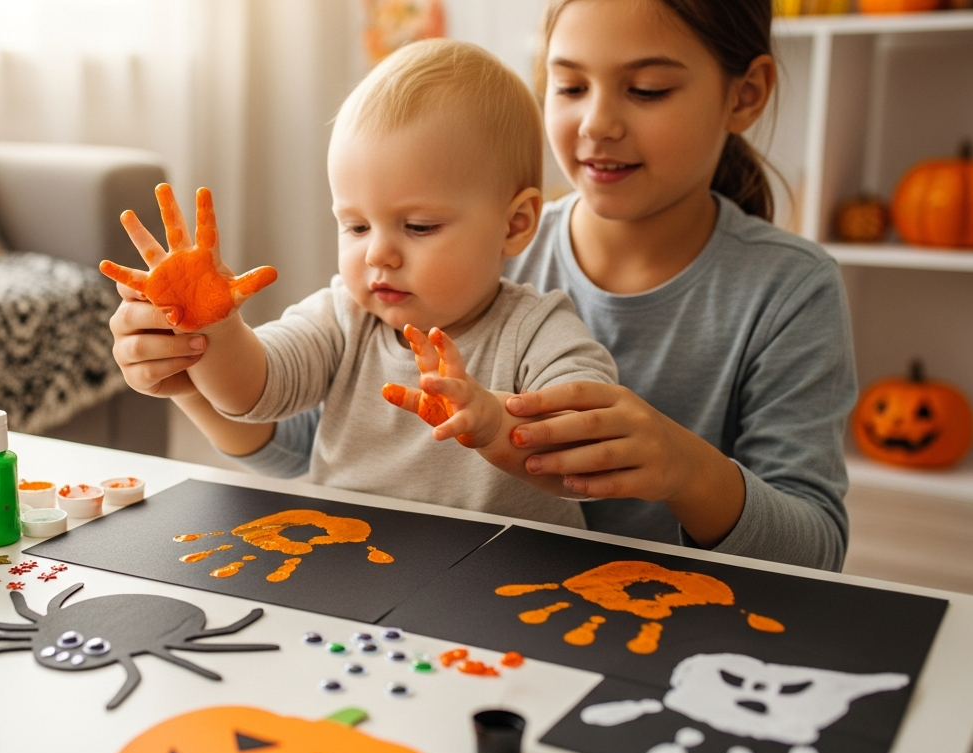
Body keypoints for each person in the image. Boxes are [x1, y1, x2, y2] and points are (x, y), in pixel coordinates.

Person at [111, 0, 858, 572]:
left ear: (745, 94)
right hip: (376, 571)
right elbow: (296, 438)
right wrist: (196, 357)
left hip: (596, 598)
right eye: (567, 85)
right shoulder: (389, 289)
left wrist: (687, 467)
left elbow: (814, 551)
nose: (597, 124)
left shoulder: (782, 290)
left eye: (649, 89)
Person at [106, 39, 617, 527]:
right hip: (356, 559)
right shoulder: (343, 316)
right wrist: (215, 329)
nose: (377, 253)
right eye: (355, 226)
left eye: (418, 226)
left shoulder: (538, 328)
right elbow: (255, 391)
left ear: (515, 224)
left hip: (505, 576)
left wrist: (492, 422)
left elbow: (584, 455)